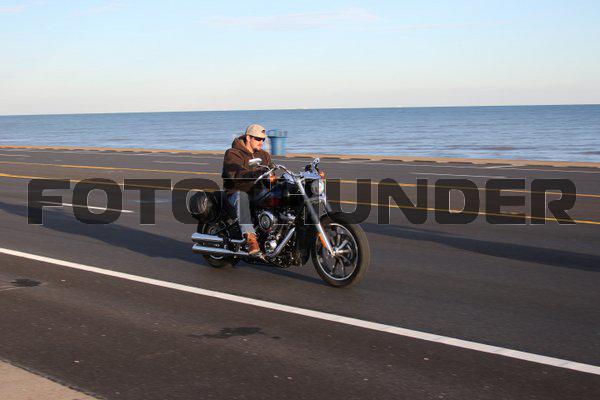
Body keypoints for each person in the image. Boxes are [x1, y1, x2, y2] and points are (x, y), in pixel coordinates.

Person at [221, 124, 274, 254]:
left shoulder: (264, 155)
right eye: (258, 139)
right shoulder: (233, 153)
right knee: (242, 197)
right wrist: (256, 173)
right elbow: (235, 173)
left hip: (259, 192)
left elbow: (272, 171)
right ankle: (250, 237)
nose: (261, 142)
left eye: (263, 139)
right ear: (248, 137)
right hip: (237, 191)